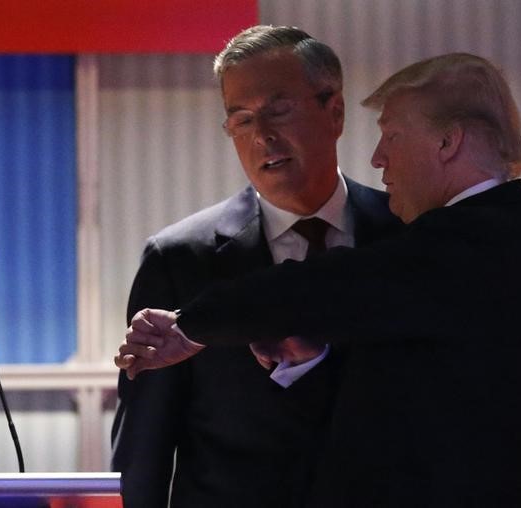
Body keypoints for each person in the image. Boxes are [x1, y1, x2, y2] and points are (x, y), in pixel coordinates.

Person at [117, 53, 521, 507]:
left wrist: (189, 326)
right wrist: (309, 359)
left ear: (448, 141)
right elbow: (414, 392)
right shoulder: (493, 238)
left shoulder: (472, 241)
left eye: (391, 135)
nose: (377, 157)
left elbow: (315, 289)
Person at [110, 25, 400, 508]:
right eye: (240, 120)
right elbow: (145, 446)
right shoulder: (181, 258)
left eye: (278, 110)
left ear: (336, 111)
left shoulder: (405, 237)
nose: (262, 135)